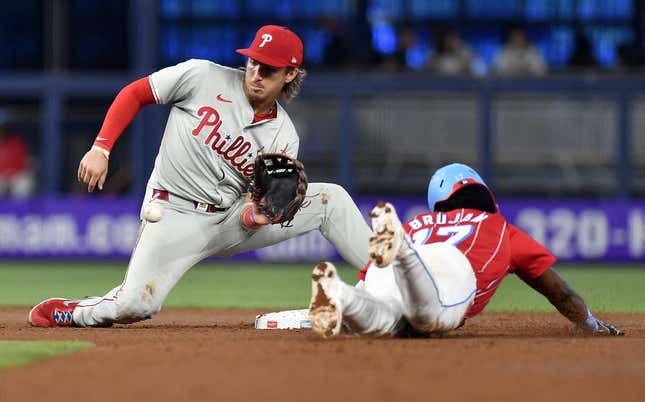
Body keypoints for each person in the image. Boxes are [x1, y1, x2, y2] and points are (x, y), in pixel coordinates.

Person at [28, 25, 372, 328]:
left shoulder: (284, 135)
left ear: (290, 75)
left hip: (229, 219)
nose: (255, 72)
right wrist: (101, 148)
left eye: (268, 69)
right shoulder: (202, 76)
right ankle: (72, 312)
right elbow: (136, 93)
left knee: (331, 199)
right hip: (173, 212)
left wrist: (258, 215)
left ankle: (386, 282)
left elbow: (255, 206)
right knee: (134, 305)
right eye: (252, 61)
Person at [308, 163, 623, 338]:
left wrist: (351, 316)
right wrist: (588, 323)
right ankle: (404, 255)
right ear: (484, 193)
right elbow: (560, 292)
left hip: (387, 272)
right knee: (425, 320)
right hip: (447, 274)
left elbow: (370, 276)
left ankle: (342, 295)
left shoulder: (420, 220)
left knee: (387, 320)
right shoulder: (501, 229)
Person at [0, 112, 35, 198]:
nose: (2, 130)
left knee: (23, 184)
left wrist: (11, 173)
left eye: (3, 128)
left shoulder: (17, 143)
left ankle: (20, 210)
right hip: (1, 176)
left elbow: (24, 163)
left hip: (15, 175)